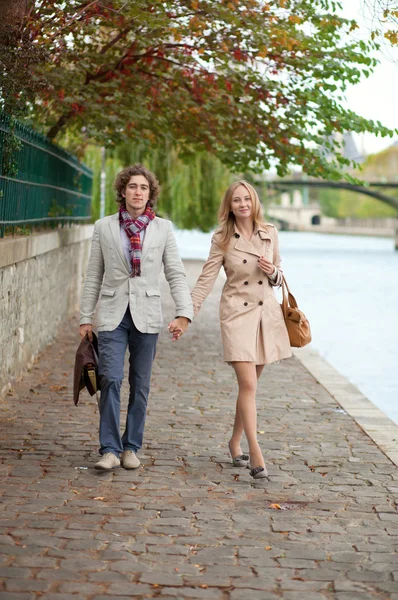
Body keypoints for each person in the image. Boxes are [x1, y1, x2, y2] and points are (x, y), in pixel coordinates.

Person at [170, 180, 291, 479]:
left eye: (247, 198)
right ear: (230, 205)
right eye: (236, 200)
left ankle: (234, 441)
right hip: (237, 315)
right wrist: (187, 315)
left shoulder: (270, 233)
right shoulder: (222, 238)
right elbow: (206, 280)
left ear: (254, 202)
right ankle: (255, 452)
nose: (243, 204)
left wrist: (273, 271)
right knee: (248, 384)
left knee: (249, 387)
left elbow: (280, 276)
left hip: (265, 315)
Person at [79, 164, 193, 471]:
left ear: (150, 193)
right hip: (113, 314)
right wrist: (85, 317)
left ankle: (131, 447)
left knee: (140, 384)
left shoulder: (163, 229)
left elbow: (175, 273)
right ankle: (109, 449)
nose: (137, 192)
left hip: (148, 315)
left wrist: (184, 313)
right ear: (123, 191)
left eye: (143, 187)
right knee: (110, 379)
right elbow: (93, 275)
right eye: (132, 187)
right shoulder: (104, 227)